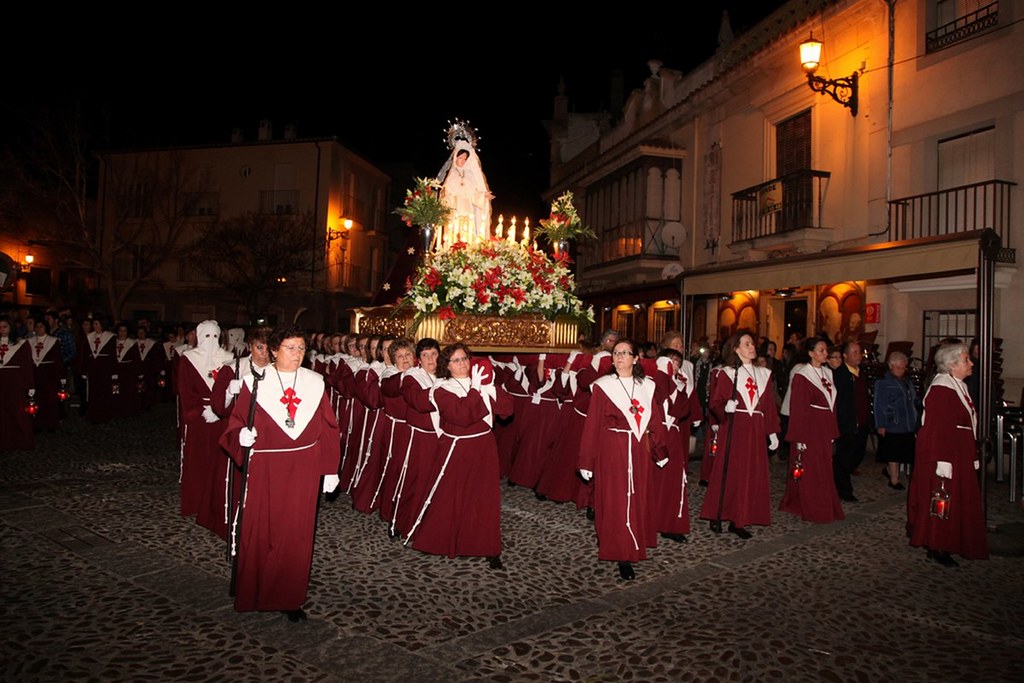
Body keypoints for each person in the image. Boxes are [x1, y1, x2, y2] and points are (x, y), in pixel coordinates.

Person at [219, 324, 341, 620]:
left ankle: (290, 597)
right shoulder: (254, 382)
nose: (298, 354)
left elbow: (328, 428)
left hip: (303, 468)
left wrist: (330, 469)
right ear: (274, 350)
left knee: (296, 534)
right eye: (291, 347)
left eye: (302, 348)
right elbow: (235, 424)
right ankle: (255, 592)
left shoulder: (314, 383)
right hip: (266, 468)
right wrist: (240, 437)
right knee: (261, 530)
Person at [406, 343, 512, 568]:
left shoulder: (481, 382)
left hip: (484, 447)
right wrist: (476, 390)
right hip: (457, 448)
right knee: (451, 496)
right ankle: (442, 541)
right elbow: (461, 416)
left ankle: (488, 546)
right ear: (447, 365)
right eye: (456, 360)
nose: (462, 363)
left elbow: (507, 410)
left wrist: (490, 388)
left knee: (485, 499)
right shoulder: (442, 389)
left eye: (465, 358)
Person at [578, 339, 669, 581]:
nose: (619, 357)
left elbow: (655, 420)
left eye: (625, 353)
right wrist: (586, 460)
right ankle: (621, 552)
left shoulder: (646, 386)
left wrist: (659, 450)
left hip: (639, 449)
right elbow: (592, 424)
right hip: (612, 450)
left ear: (636, 358)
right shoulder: (604, 387)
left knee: (637, 497)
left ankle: (634, 540)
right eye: (616, 353)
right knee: (616, 500)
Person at [907, 342, 988, 567]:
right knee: (942, 500)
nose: (971, 363)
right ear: (951, 365)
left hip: (958, 452)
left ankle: (950, 540)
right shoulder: (942, 388)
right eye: (966, 360)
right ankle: (937, 544)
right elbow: (937, 428)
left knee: (956, 499)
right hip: (945, 455)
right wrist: (942, 461)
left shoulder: (957, 385)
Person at [699, 330, 781, 539]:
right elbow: (715, 403)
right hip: (735, 428)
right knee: (730, 473)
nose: (752, 347)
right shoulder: (727, 373)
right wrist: (725, 406)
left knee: (750, 474)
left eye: (752, 344)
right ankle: (719, 513)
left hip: (755, 429)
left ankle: (739, 519)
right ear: (736, 349)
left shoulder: (763, 374)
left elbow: (768, 406)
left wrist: (772, 431)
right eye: (747, 344)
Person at [177, 320, 235, 539]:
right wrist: (198, 411)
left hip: (221, 417)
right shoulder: (188, 359)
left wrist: (221, 408)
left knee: (219, 460)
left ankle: (216, 505)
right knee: (199, 459)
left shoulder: (228, 358)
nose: (211, 341)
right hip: (200, 418)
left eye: (215, 336)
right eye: (207, 336)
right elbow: (185, 390)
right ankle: (197, 501)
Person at [779, 338, 844, 523]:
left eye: (826, 350)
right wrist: (800, 437)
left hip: (824, 428)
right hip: (810, 429)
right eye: (821, 350)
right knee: (811, 468)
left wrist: (832, 430)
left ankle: (824, 502)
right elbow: (799, 408)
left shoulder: (828, 373)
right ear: (810, 353)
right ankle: (811, 505)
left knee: (825, 467)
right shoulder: (802, 375)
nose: (825, 354)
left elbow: (832, 404)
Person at [873, 351, 918, 490]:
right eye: (898, 367)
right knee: (893, 452)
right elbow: (879, 404)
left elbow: (913, 399)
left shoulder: (907, 381)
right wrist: (880, 424)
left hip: (908, 422)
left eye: (903, 367)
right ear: (891, 366)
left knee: (905, 451)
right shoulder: (883, 383)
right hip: (893, 422)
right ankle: (894, 479)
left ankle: (890, 472)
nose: (901, 370)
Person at [832, 341, 870, 503]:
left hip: (861, 422)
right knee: (844, 457)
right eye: (854, 352)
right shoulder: (840, 374)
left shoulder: (861, 373)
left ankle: (839, 478)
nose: (858, 355)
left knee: (858, 454)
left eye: (859, 352)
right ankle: (844, 490)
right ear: (845, 356)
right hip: (847, 423)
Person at [438, 139, 494, 242]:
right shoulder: (451, 176)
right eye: (460, 158)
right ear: (455, 157)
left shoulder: (469, 175)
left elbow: (473, 194)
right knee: (454, 235)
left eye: (465, 159)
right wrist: (446, 197)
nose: (462, 161)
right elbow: (446, 196)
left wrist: (483, 195)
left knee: (467, 234)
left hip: (468, 210)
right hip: (455, 210)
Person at [1, 316, 35, 451]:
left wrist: (30, 385)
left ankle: (21, 440)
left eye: (5, 327)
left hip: (15, 382)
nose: (2, 330)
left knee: (17, 411)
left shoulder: (21, 344)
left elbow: (26, 365)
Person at [29, 320, 66, 432]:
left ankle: (51, 424)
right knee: (37, 399)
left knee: (50, 399)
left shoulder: (53, 341)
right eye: (37, 326)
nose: (39, 329)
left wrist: (61, 376)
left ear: (46, 328)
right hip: (36, 373)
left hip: (49, 374)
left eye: (41, 326)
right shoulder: (30, 341)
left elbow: (58, 359)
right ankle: (37, 424)